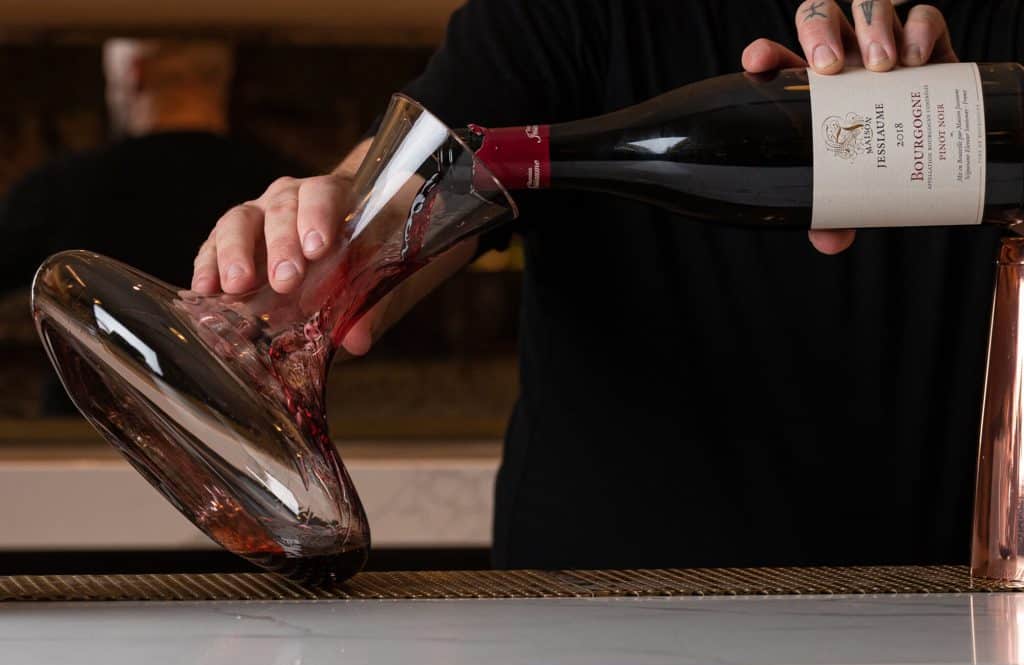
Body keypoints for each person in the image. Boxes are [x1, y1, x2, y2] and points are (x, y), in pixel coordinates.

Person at [193, 0, 1013, 570]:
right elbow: (408, 190)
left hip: (956, 623)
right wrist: (313, 236)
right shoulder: (572, 14)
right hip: (601, 622)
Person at [0, 39, 305, 414]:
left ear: (135, 73)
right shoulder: (285, 188)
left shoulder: (63, 185)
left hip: (87, 433)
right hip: (246, 436)